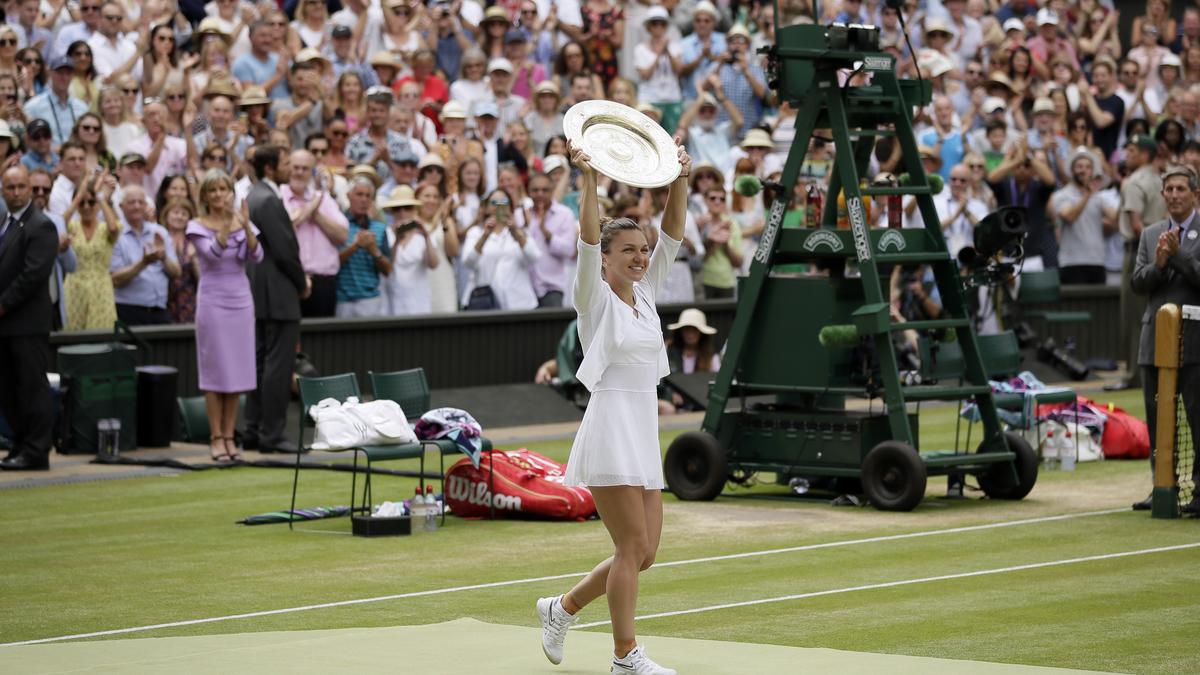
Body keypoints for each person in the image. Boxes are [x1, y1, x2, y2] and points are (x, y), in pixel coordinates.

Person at [536, 138, 690, 675]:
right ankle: (625, 656)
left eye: (643, 251)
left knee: (645, 553)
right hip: (609, 426)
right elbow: (584, 238)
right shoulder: (593, 297)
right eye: (629, 251)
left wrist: (678, 177)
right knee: (630, 548)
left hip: (643, 428)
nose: (641, 257)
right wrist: (588, 178)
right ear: (605, 259)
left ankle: (562, 608)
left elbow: (672, 231)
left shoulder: (647, 293)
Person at [1130, 164, 1200, 513]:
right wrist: (1158, 264)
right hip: (1154, 339)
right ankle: (1162, 486)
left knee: (1198, 419)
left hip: (1195, 341)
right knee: (1157, 418)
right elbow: (1138, 283)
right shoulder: (1150, 233)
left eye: (1180, 189)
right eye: (1169, 190)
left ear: (1194, 194)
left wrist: (1179, 257)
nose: (1174, 195)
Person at [186, 169, 261, 462]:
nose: (218, 195)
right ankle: (215, 437)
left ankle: (230, 436)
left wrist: (246, 227)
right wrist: (231, 224)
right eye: (213, 190)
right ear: (205, 195)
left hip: (241, 299)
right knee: (215, 371)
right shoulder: (196, 225)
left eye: (223, 189)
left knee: (237, 372)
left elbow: (257, 256)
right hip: (213, 301)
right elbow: (213, 254)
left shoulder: (243, 222)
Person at [244, 145, 307, 455]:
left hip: (260, 292)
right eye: (284, 163)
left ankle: (254, 430)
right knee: (277, 366)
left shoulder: (255, 196)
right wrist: (302, 281)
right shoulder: (267, 199)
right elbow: (285, 250)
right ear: (269, 168)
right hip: (277, 293)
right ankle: (271, 434)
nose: (289, 167)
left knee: (260, 363)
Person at [0, 165, 58, 471]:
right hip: (7, 325)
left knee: (31, 387)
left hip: (27, 323)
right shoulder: (5, 222)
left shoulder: (42, 226)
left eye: (22, 186)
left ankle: (36, 450)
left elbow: (32, 276)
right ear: (2, 190)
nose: (18, 192)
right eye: (11, 187)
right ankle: (20, 445)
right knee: (9, 388)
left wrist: (2, 304)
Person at [1110, 134, 1167, 392]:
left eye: (1132, 150)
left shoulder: (1133, 182)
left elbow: (1135, 226)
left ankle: (1134, 374)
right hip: (1163, 253)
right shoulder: (1161, 180)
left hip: (1138, 252)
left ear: (1145, 154)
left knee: (1135, 316)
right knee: (1156, 312)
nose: (1127, 155)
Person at [283, 150, 349, 317]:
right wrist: (312, 206)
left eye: (305, 169)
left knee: (323, 340)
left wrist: (316, 214)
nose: (299, 172)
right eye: (296, 167)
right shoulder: (278, 196)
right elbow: (285, 228)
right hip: (290, 281)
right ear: (287, 168)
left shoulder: (323, 199)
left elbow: (342, 235)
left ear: (312, 172)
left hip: (323, 283)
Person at [109, 185, 181, 325]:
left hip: (159, 309)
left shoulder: (159, 232)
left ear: (146, 205)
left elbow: (176, 272)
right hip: (128, 310)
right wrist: (144, 262)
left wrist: (163, 257)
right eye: (131, 202)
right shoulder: (115, 235)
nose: (136, 206)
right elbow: (115, 279)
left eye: (140, 202)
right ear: (121, 206)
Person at [462, 188, 540, 310]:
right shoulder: (476, 232)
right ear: (487, 207)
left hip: (520, 303)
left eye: (503, 202)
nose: (498, 206)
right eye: (494, 203)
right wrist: (485, 236)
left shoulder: (521, 232)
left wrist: (516, 233)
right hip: (487, 305)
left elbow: (534, 257)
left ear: (510, 207)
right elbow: (468, 262)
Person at [62, 171, 120, 330]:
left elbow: (114, 228)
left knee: (102, 337)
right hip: (74, 288)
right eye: (83, 203)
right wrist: (78, 197)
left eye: (91, 202)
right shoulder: (72, 226)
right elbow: (58, 225)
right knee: (73, 335)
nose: (86, 207)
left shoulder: (104, 228)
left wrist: (101, 197)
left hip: (100, 288)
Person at [1049, 150, 1113, 284]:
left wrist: (1124, 193)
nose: (1084, 170)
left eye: (1088, 167)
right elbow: (1069, 217)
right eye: (1079, 166)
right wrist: (1087, 195)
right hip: (1072, 263)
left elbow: (1115, 218)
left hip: (1097, 261)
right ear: (1072, 170)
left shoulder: (1098, 197)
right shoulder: (1061, 195)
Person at [519, 172, 578, 308]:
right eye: (535, 190)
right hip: (524, 289)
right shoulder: (521, 214)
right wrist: (525, 228)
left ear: (552, 191)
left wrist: (546, 233)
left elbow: (569, 250)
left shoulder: (564, 214)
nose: (540, 194)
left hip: (552, 288)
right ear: (529, 192)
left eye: (545, 190)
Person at [336, 177, 392, 318]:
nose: (364, 200)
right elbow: (331, 265)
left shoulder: (379, 228)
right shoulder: (337, 224)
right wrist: (355, 246)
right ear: (349, 196)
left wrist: (373, 250)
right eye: (359, 194)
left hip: (371, 300)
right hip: (343, 301)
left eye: (368, 196)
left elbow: (388, 270)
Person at [23, 55, 89, 147]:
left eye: (68, 73)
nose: (64, 77)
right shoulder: (34, 106)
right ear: (50, 73)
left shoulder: (82, 108)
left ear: (72, 76)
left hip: (76, 158)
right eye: (60, 73)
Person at [665, 308, 720, 374]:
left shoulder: (711, 358)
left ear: (701, 333)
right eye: (687, 329)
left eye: (695, 330)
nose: (690, 334)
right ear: (681, 331)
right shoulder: (668, 351)